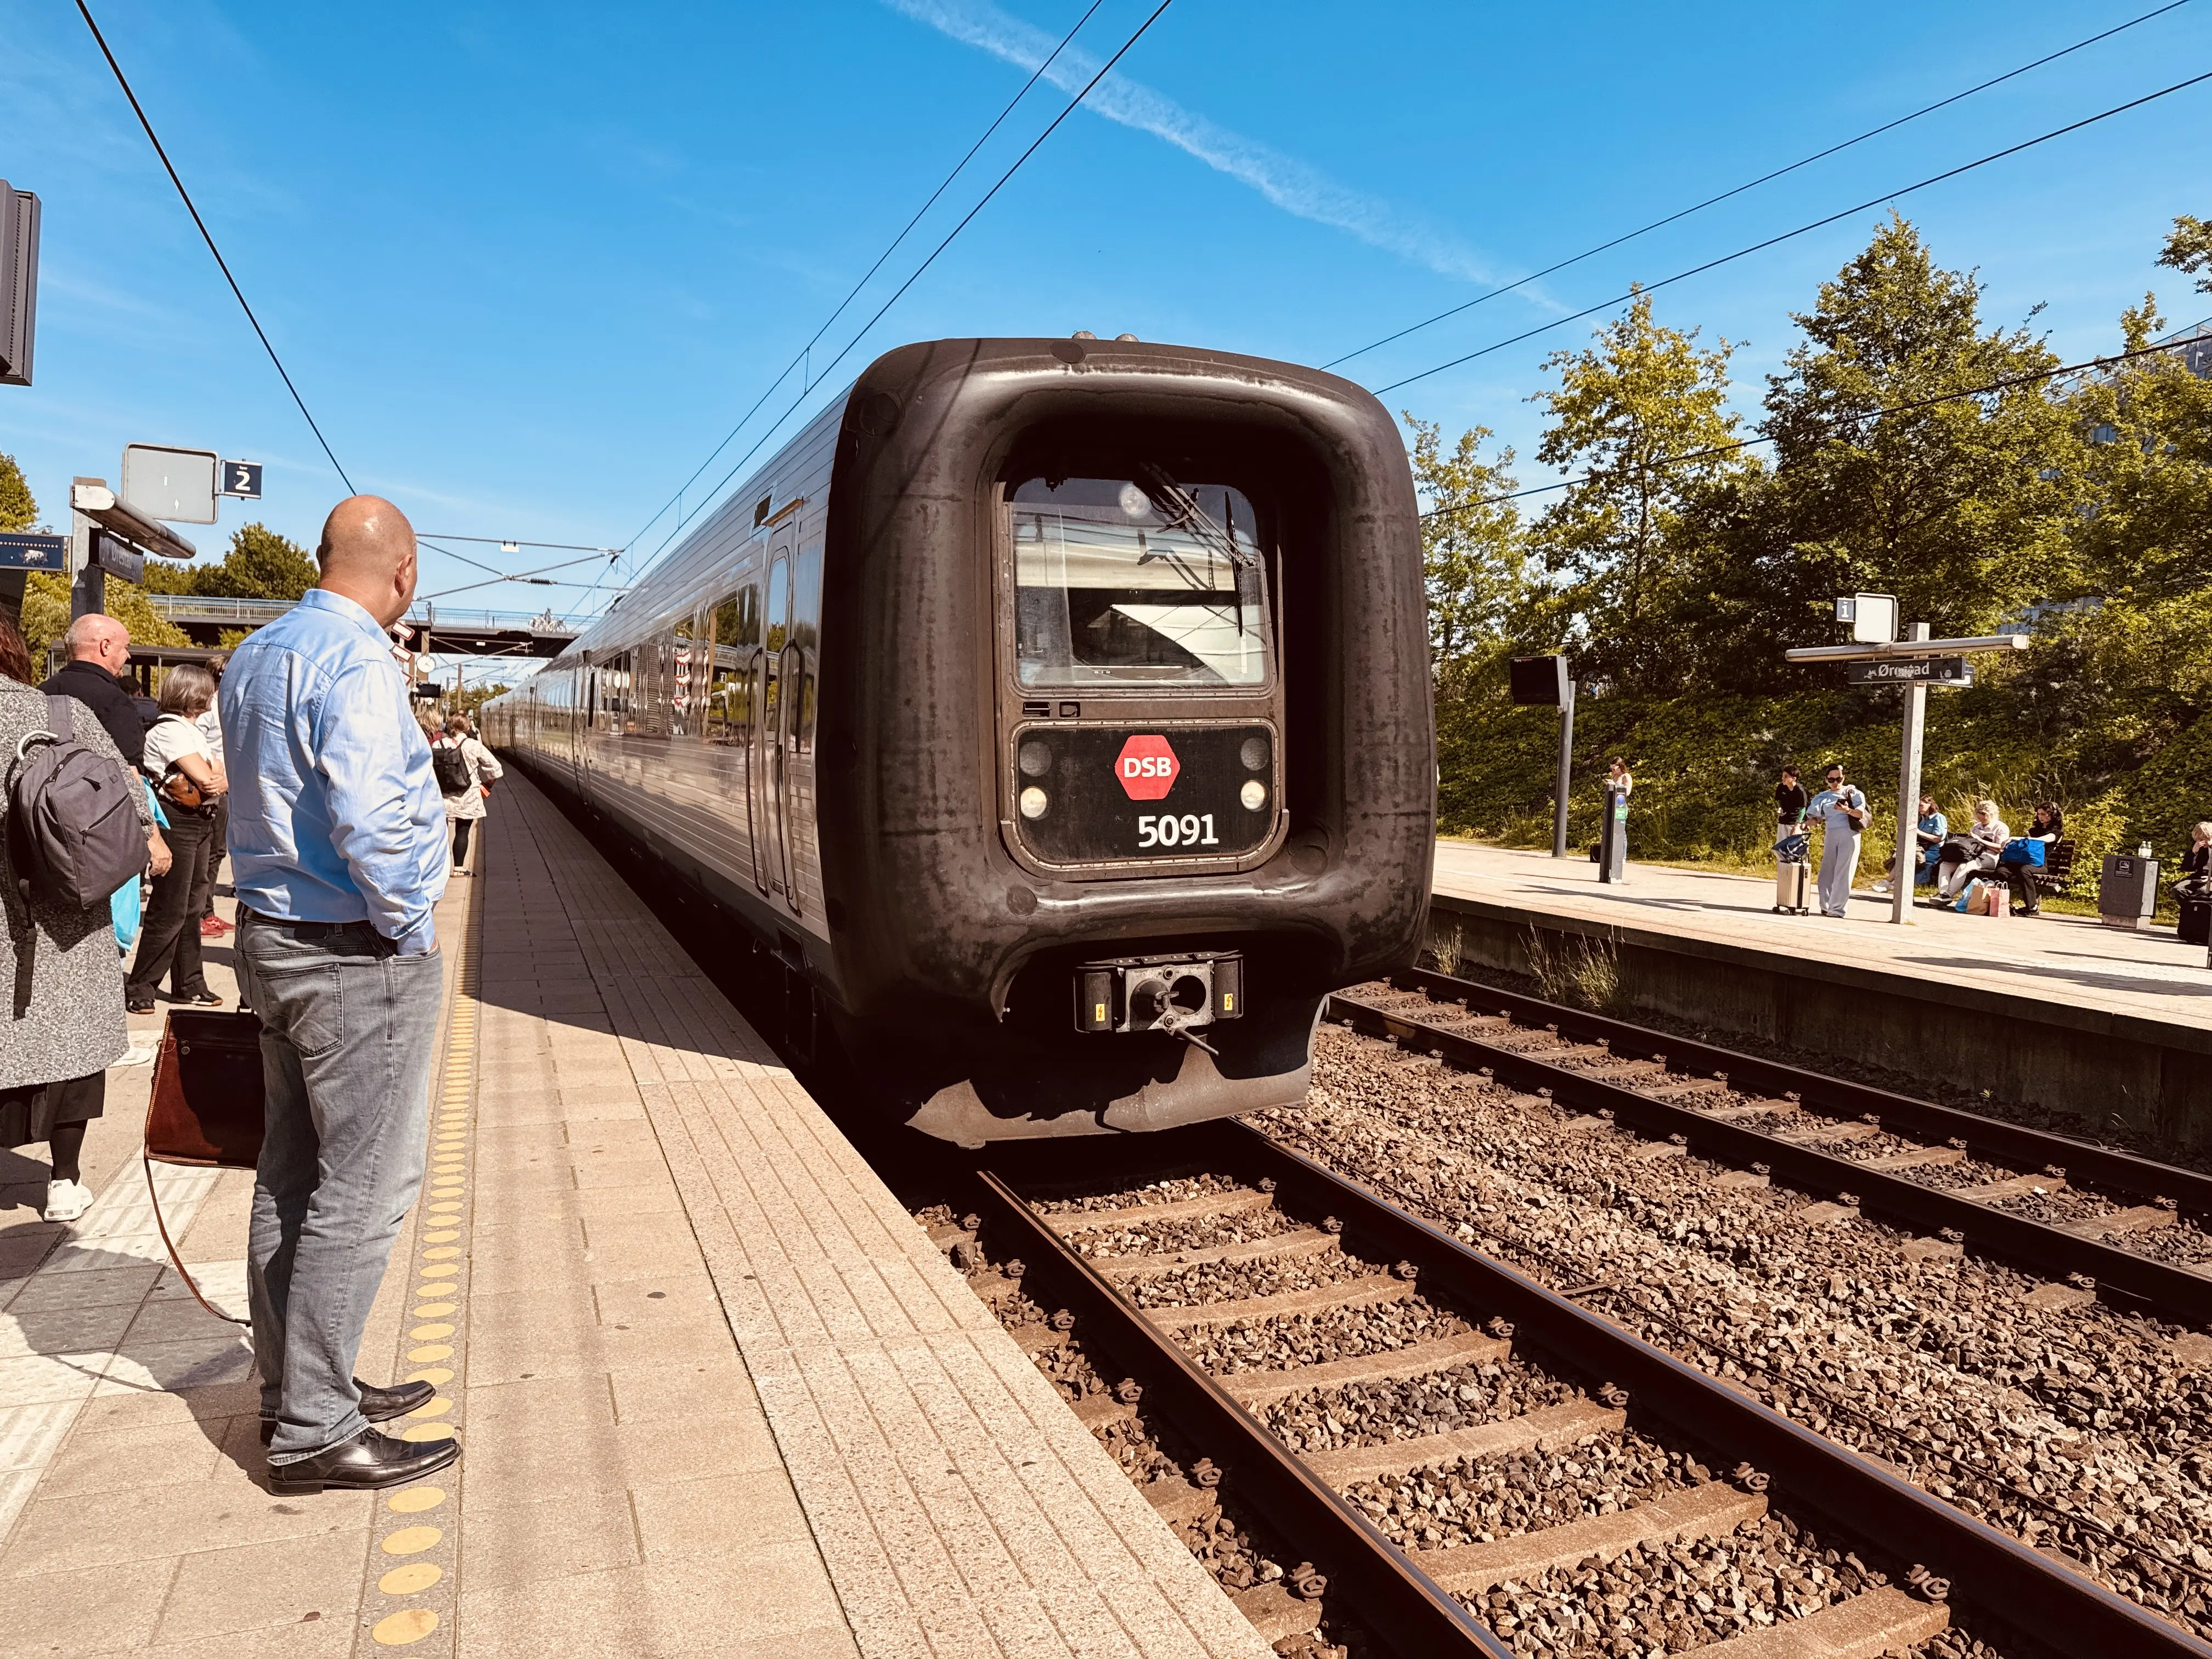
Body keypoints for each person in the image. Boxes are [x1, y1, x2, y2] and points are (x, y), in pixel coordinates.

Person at [223, 494, 453, 1492]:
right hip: (352, 951)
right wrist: (407, 924)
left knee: (292, 1172)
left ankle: (298, 1386)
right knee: (364, 1187)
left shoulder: (258, 652)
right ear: (403, 571)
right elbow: (371, 820)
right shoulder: (359, 663)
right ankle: (317, 1427)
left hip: (271, 937)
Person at [0, 611, 158, 1222]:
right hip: (68, 916)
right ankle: (64, 1180)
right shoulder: (60, 716)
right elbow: (128, 800)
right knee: (73, 1049)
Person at [124, 664, 228, 1014]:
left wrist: (217, 776)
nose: (213, 695)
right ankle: (142, 986)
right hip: (178, 822)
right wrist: (216, 774)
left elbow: (218, 778)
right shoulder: (171, 731)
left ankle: (189, 983)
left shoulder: (191, 731)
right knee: (170, 908)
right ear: (193, 695)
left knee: (193, 906)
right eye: (208, 690)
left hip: (200, 821)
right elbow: (212, 780)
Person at [40, 613, 148, 772]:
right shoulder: (114, 700)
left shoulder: (42, 691)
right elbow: (129, 770)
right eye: (125, 647)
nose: (128, 655)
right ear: (106, 646)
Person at [432, 713, 504, 873]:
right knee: (463, 830)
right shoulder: (473, 745)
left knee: (440, 833)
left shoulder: (438, 745)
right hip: (468, 794)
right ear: (468, 727)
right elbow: (496, 769)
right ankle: (458, 868)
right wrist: (488, 784)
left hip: (442, 796)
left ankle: (438, 869)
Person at [198, 653, 232, 940]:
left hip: (227, 785)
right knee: (210, 852)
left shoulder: (229, 703)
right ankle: (202, 913)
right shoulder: (209, 707)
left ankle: (207, 912)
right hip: (213, 785)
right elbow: (198, 744)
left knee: (219, 851)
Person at [1804, 763, 1867, 918]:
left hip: (1849, 834)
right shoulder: (1823, 796)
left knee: (1844, 873)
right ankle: (1826, 906)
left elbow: (1860, 814)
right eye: (1831, 779)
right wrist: (1803, 825)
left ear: (1843, 777)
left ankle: (1838, 909)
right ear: (1826, 780)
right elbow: (1816, 819)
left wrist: (1847, 810)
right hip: (1831, 834)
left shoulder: (1852, 792)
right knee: (1826, 873)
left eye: (1838, 779)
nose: (1835, 782)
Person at [1933, 800, 2009, 905]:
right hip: (1972, 855)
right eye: (1979, 817)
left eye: (1984, 817)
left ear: (1991, 815)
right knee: (1945, 865)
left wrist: (1980, 840)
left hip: (1989, 857)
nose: (1981, 819)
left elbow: (2001, 848)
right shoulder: (1976, 827)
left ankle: (1948, 895)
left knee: (1964, 867)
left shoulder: (2001, 828)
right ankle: (1942, 892)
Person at [1997, 802, 2064, 916]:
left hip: (2040, 865)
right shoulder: (2034, 830)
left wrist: (2014, 838)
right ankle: (2003, 903)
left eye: (2044, 814)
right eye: (2039, 814)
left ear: (2052, 815)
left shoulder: (2056, 833)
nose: (2040, 817)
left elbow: (2044, 840)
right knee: (2002, 870)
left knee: (2025, 870)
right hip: (2024, 861)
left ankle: (2032, 906)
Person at [1871, 795, 1947, 895]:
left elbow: (1938, 839)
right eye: (1917, 806)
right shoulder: (1922, 819)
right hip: (1920, 848)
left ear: (1930, 804)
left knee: (1907, 856)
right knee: (1899, 853)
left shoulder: (1939, 818)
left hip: (1934, 851)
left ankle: (1888, 883)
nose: (1919, 808)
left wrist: (1918, 832)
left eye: (1921, 806)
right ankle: (1896, 882)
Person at [2171, 822, 2211, 904]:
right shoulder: (2200, 847)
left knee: (2203, 891)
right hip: (2199, 877)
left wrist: (2210, 879)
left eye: (2202, 839)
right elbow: (2187, 868)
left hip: (2211, 879)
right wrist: (2194, 853)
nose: (2199, 842)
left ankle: (2204, 913)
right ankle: (2190, 912)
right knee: (2178, 890)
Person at [1774, 766, 1808, 834]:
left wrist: (1796, 826)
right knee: (1781, 844)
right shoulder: (1781, 787)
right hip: (1782, 822)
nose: (1783, 778)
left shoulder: (1800, 790)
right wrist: (1780, 809)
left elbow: (1803, 809)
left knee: (1796, 844)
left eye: (1786, 776)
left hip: (1796, 822)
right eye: (1783, 776)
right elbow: (1779, 800)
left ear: (1794, 778)